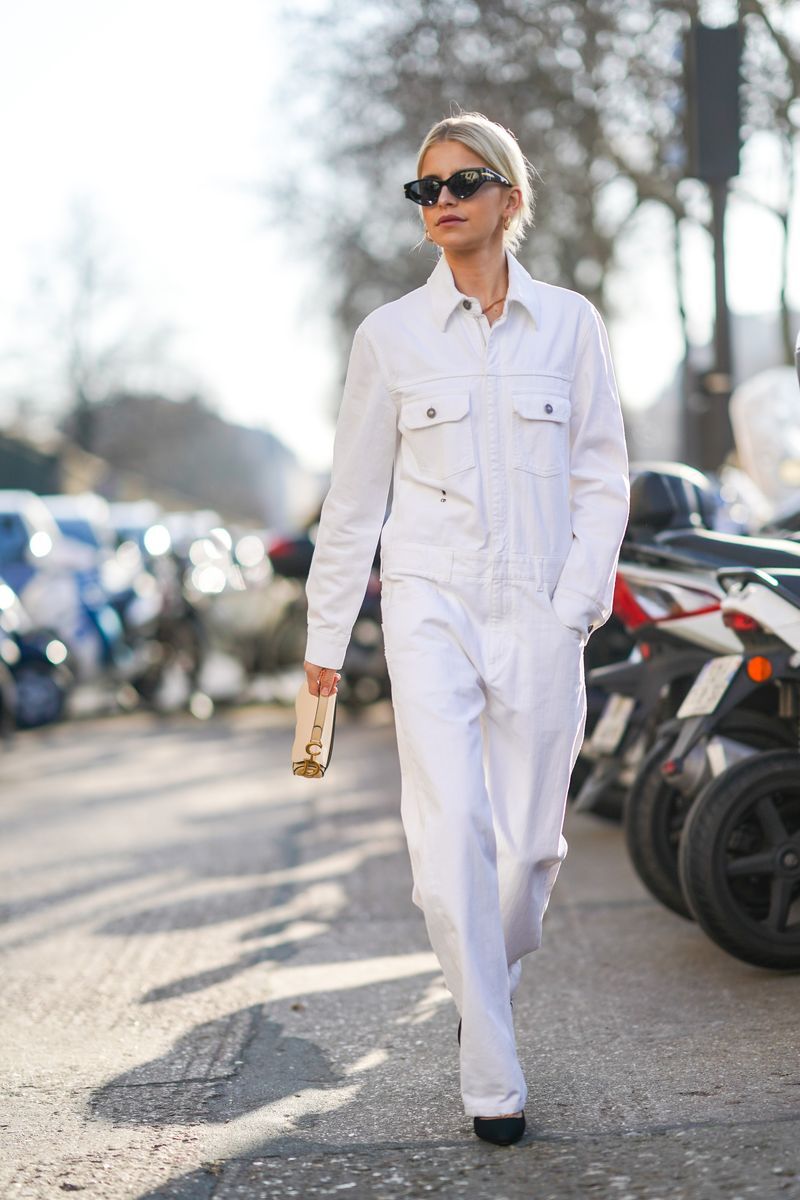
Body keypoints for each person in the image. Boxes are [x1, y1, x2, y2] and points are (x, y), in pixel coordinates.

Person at [302, 111, 629, 1145]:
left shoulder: (571, 325)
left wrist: (574, 602)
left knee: (529, 851)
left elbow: (600, 473)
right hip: (430, 604)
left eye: (460, 181)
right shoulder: (388, 339)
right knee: (451, 834)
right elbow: (352, 507)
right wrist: (320, 657)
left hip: (538, 605)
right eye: (424, 188)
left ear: (509, 197)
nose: (439, 199)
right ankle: (491, 1069)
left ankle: (480, 981)